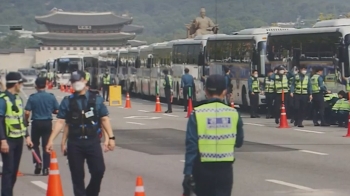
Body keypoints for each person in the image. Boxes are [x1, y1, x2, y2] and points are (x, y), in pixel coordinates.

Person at [45, 70, 115, 196]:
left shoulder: (96, 99)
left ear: (85, 80)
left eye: (79, 80)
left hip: (92, 141)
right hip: (75, 143)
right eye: (73, 81)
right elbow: (61, 122)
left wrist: (110, 137)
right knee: (77, 176)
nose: (76, 83)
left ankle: (90, 193)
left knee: (99, 170)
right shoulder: (68, 101)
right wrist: (51, 140)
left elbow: (104, 119)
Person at [182, 74, 244, 196]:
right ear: (225, 92)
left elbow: (191, 146)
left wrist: (188, 173)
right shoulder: (233, 114)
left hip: (202, 169)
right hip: (224, 169)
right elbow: (239, 142)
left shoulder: (197, 113)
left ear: (206, 91)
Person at [0, 72, 33, 196]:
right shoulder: (3, 100)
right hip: (8, 140)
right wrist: (2, 140)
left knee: (13, 171)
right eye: (21, 83)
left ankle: (8, 193)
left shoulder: (18, 99)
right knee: (8, 171)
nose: (22, 85)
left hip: (18, 139)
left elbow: (21, 120)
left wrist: (27, 136)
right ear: (15, 84)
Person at [24, 77, 59, 175]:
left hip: (36, 122)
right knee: (46, 145)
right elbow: (57, 110)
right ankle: (46, 168)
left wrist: (26, 121)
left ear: (36, 86)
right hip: (47, 122)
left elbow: (27, 112)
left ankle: (38, 163)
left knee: (34, 144)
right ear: (46, 84)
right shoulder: (51, 97)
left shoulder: (32, 97)